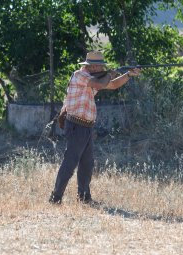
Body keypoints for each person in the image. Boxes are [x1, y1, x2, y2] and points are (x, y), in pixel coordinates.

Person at [49, 51, 140, 204]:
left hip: (85, 127)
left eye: (100, 65)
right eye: (97, 65)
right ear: (90, 66)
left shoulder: (94, 77)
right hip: (76, 125)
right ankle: (56, 197)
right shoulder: (80, 75)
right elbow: (100, 83)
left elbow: (112, 85)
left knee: (87, 164)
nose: (99, 67)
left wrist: (128, 75)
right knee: (70, 163)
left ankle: (84, 198)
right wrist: (109, 74)